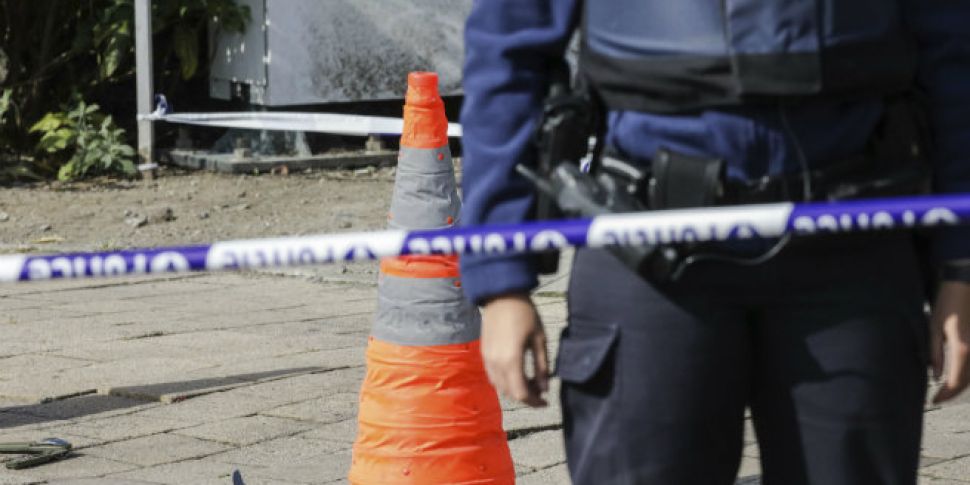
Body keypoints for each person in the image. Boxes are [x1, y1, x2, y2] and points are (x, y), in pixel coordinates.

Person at [458, 1, 970, 484]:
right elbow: (508, 50)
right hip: (648, 255)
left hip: (850, 251)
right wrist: (502, 277)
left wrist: (960, 261)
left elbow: (954, 56)